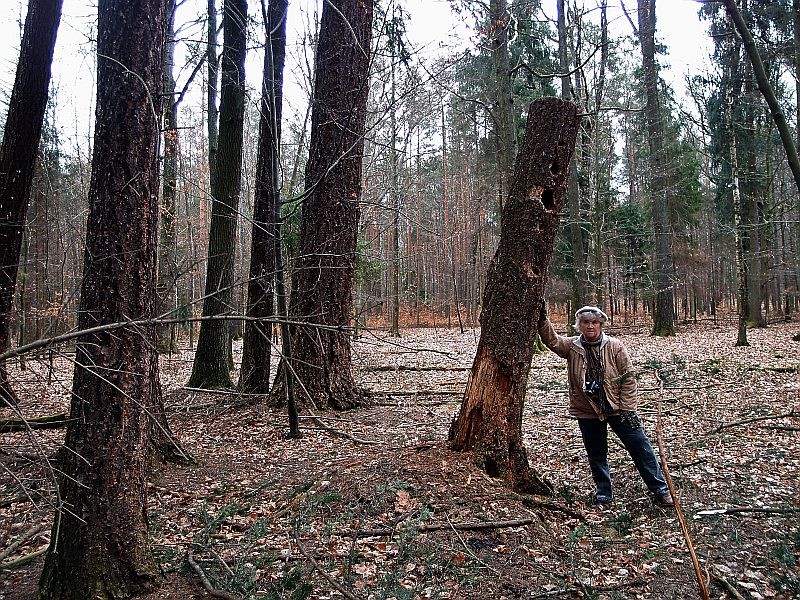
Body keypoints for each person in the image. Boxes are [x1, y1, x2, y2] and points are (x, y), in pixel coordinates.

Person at [538, 303, 673, 507]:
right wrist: (542, 320)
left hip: (618, 408)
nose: (590, 326)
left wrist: (628, 409)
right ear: (579, 325)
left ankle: (660, 490)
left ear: (600, 325)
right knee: (596, 453)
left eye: (594, 322)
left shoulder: (615, 346)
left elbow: (628, 379)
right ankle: (604, 493)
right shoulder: (573, 346)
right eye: (585, 322)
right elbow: (553, 341)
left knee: (640, 447)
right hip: (588, 410)